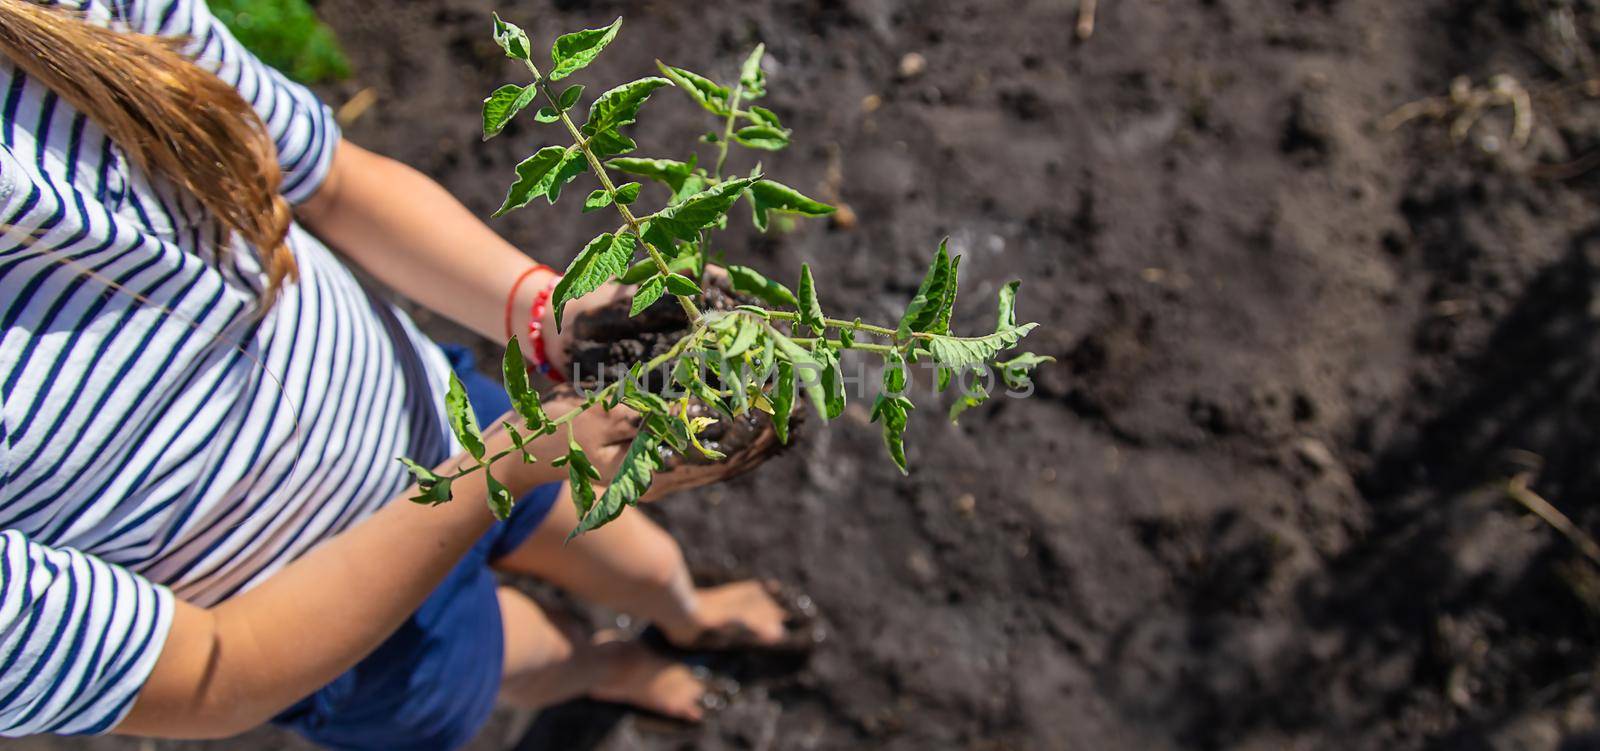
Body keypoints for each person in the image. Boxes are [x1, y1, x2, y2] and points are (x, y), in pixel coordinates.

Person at [0, 0, 794, 747]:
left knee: (645, 561)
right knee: (523, 655)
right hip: (335, 633)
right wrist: (507, 464)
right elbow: (211, 670)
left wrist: (555, 321)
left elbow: (333, 181)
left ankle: (686, 611)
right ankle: (608, 665)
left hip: (431, 412)